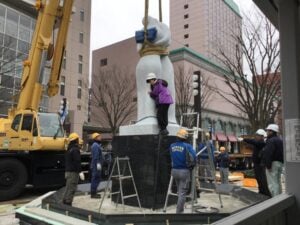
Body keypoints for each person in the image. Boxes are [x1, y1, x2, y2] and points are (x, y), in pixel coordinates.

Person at [170, 128, 196, 213]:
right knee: (182, 193)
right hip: (184, 171)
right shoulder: (187, 146)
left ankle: (180, 209)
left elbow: (171, 156)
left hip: (174, 171)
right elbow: (194, 157)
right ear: (185, 137)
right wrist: (192, 165)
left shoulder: (172, 146)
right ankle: (179, 213)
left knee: (179, 191)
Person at [241, 129, 271, 197]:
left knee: (262, 179)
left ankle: (265, 193)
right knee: (258, 179)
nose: (256, 137)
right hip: (257, 164)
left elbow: (254, 142)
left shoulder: (261, 143)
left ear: (262, 136)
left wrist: (244, 139)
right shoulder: (258, 143)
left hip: (260, 164)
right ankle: (261, 191)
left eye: (258, 135)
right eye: (256, 135)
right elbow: (254, 144)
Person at [62, 132, 84, 205]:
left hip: (68, 172)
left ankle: (64, 202)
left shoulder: (69, 149)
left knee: (68, 187)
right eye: (77, 139)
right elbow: (77, 161)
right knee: (72, 189)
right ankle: (68, 204)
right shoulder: (75, 149)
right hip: (73, 173)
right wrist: (80, 172)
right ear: (75, 140)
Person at [262, 124, 284, 197]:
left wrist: (268, 165)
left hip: (272, 164)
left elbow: (269, 153)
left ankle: (275, 200)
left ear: (271, 131)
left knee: (272, 183)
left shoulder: (271, 141)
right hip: (280, 163)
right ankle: (280, 198)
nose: (267, 132)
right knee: (277, 182)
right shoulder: (280, 140)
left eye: (268, 131)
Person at [90, 132, 103, 198]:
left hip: (97, 164)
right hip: (96, 165)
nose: (100, 137)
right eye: (99, 136)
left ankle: (94, 192)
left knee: (97, 178)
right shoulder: (95, 145)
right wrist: (98, 164)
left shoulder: (97, 145)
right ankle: (93, 193)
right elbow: (95, 156)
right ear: (95, 138)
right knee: (95, 178)